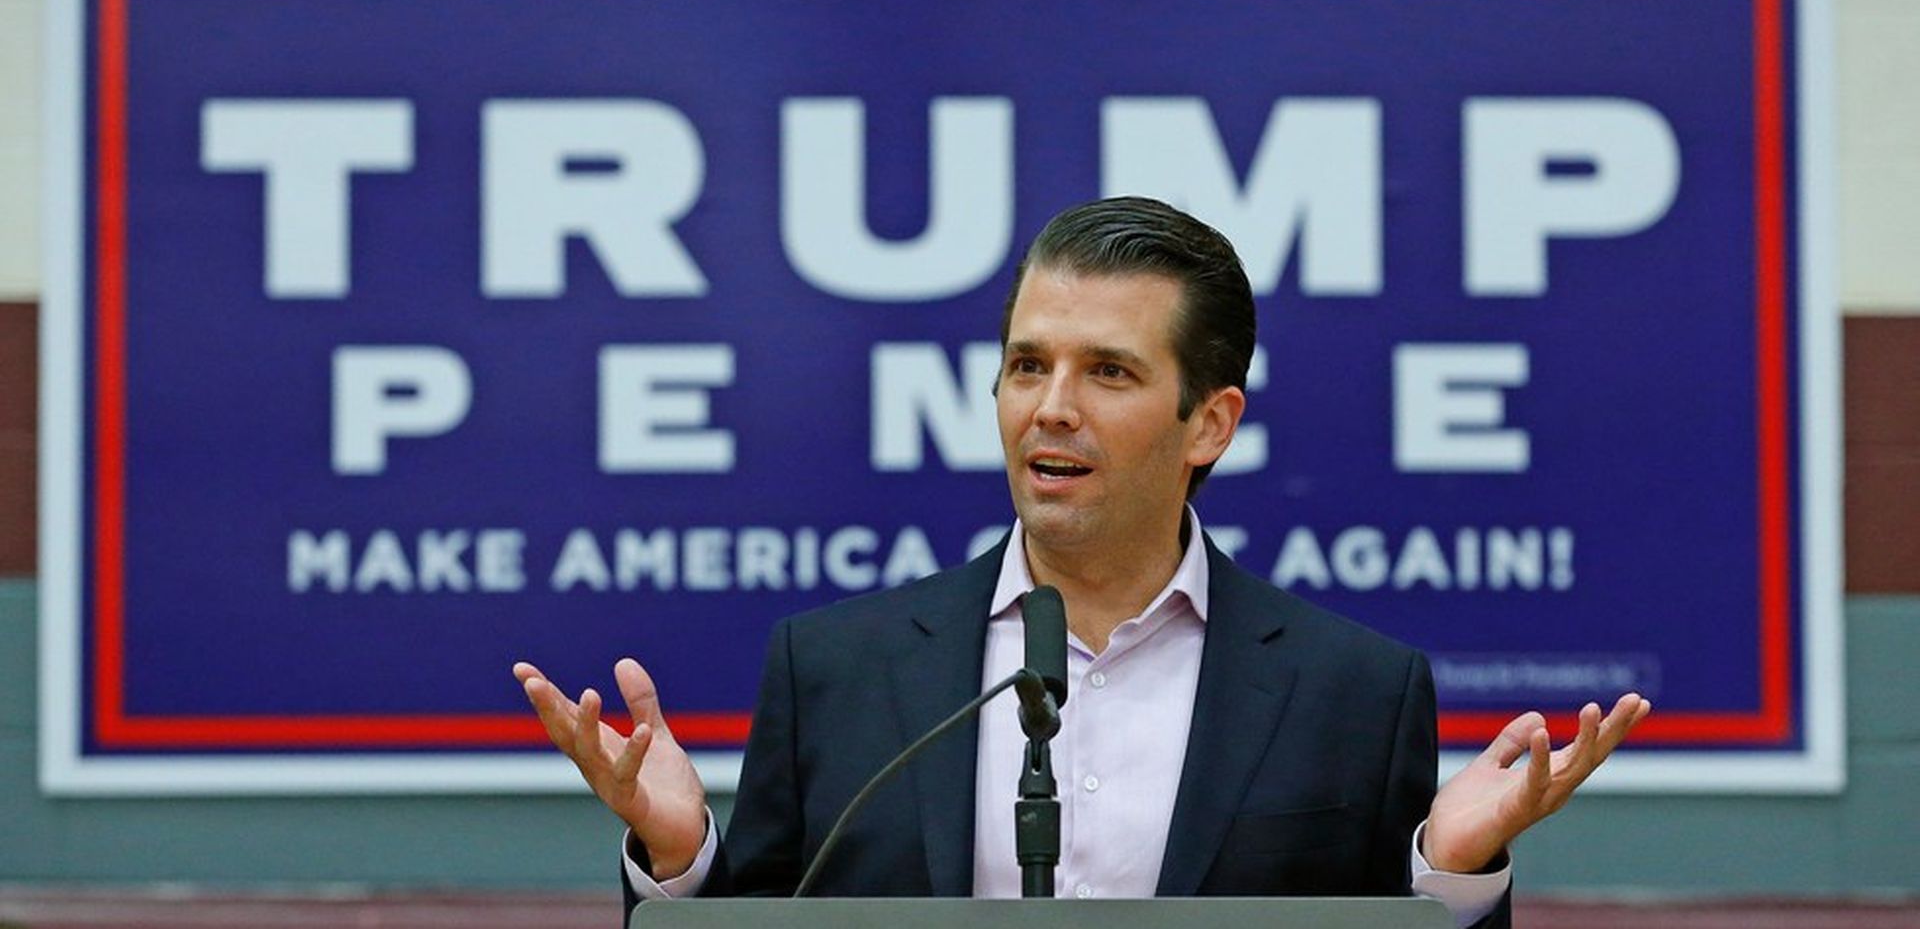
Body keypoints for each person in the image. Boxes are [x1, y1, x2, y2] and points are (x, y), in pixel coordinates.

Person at [514, 196, 1649, 926]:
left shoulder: (1354, 690)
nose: (1050, 408)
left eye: (1108, 372)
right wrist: (681, 863)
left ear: (1209, 423)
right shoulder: (836, 668)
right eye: (1027, 365)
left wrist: (1447, 878)